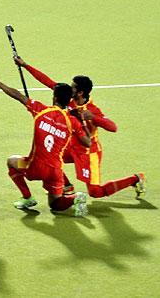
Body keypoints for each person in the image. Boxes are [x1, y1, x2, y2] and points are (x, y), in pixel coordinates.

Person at [14, 57, 146, 199]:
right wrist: (25, 65)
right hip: (71, 147)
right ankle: (66, 186)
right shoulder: (69, 99)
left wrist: (93, 118)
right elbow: (48, 82)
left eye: (73, 87)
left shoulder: (92, 109)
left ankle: (136, 179)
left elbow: (113, 127)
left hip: (88, 152)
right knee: (49, 159)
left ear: (80, 92)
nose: (70, 89)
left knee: (95, 192)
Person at [0, 70, 92, 216]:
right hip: (56, 172)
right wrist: (82, 121)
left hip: (34, 167)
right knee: (55, 204)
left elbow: (18, 95)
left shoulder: (40, 110)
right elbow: (88, 143)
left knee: (11, 162)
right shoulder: (72, 121)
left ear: (55, 98)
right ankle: (76, 198)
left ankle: (27, 197)